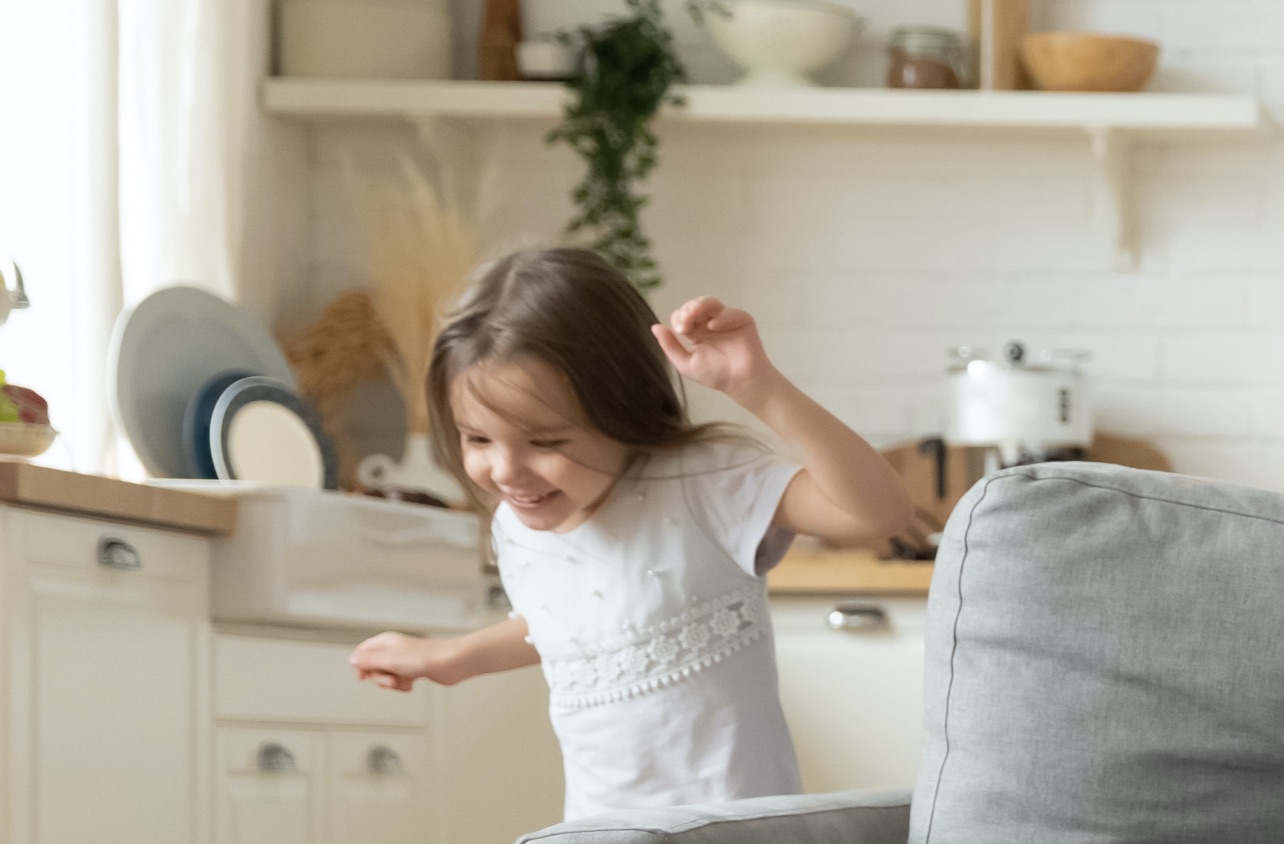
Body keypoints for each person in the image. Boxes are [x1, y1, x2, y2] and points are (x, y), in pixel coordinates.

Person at [345, 248, 918, 820]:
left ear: (623, 408)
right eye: (478, 440)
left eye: (545, 442)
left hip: (733, 833)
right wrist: (453, 657)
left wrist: (761, 389)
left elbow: (876, 515)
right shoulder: (517, 525)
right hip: (603, 830)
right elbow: (568, 625)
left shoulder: (705, 481)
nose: (506, 472)